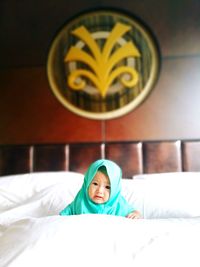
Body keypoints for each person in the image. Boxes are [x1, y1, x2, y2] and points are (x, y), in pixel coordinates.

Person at [60, 159, 142, 219]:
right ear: (87, 183)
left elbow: (133, 212)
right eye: (95, 184)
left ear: (115, 191)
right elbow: (63, 216)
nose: (99, 191)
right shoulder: (80, 201)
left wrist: (136, 214)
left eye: (107, 187)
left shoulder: (118, 204)